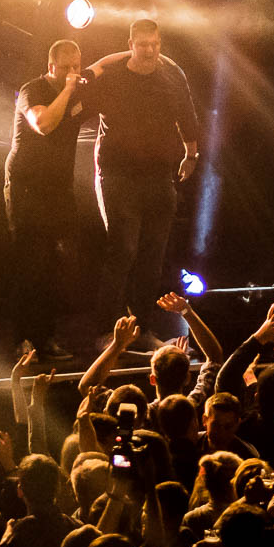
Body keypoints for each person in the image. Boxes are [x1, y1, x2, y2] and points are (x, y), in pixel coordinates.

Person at [85, 19, 200, 343]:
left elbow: (187, 116)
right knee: (123, 249)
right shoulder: (114, 75)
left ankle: (141, 329)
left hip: (159, 176)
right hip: (117, 174)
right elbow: (83, 95)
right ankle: (106, 330)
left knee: (152, 256)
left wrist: (191, 155)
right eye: (143, 44)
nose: (149, 51)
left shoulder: (172, 74)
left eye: (155, 44)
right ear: (131, 44)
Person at [5, 38, 100, 362]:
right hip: (28, 188)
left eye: (76, 66)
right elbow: (44, 123)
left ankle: (46, 339)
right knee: (30, 264)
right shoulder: (34, 90)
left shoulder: (78, 86)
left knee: (57, 265)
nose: (72, 73)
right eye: (65, 68)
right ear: (51, 68)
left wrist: (131, 53)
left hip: (59, 190)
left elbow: (102, 66)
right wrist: (69, 89)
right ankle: (24, 341)